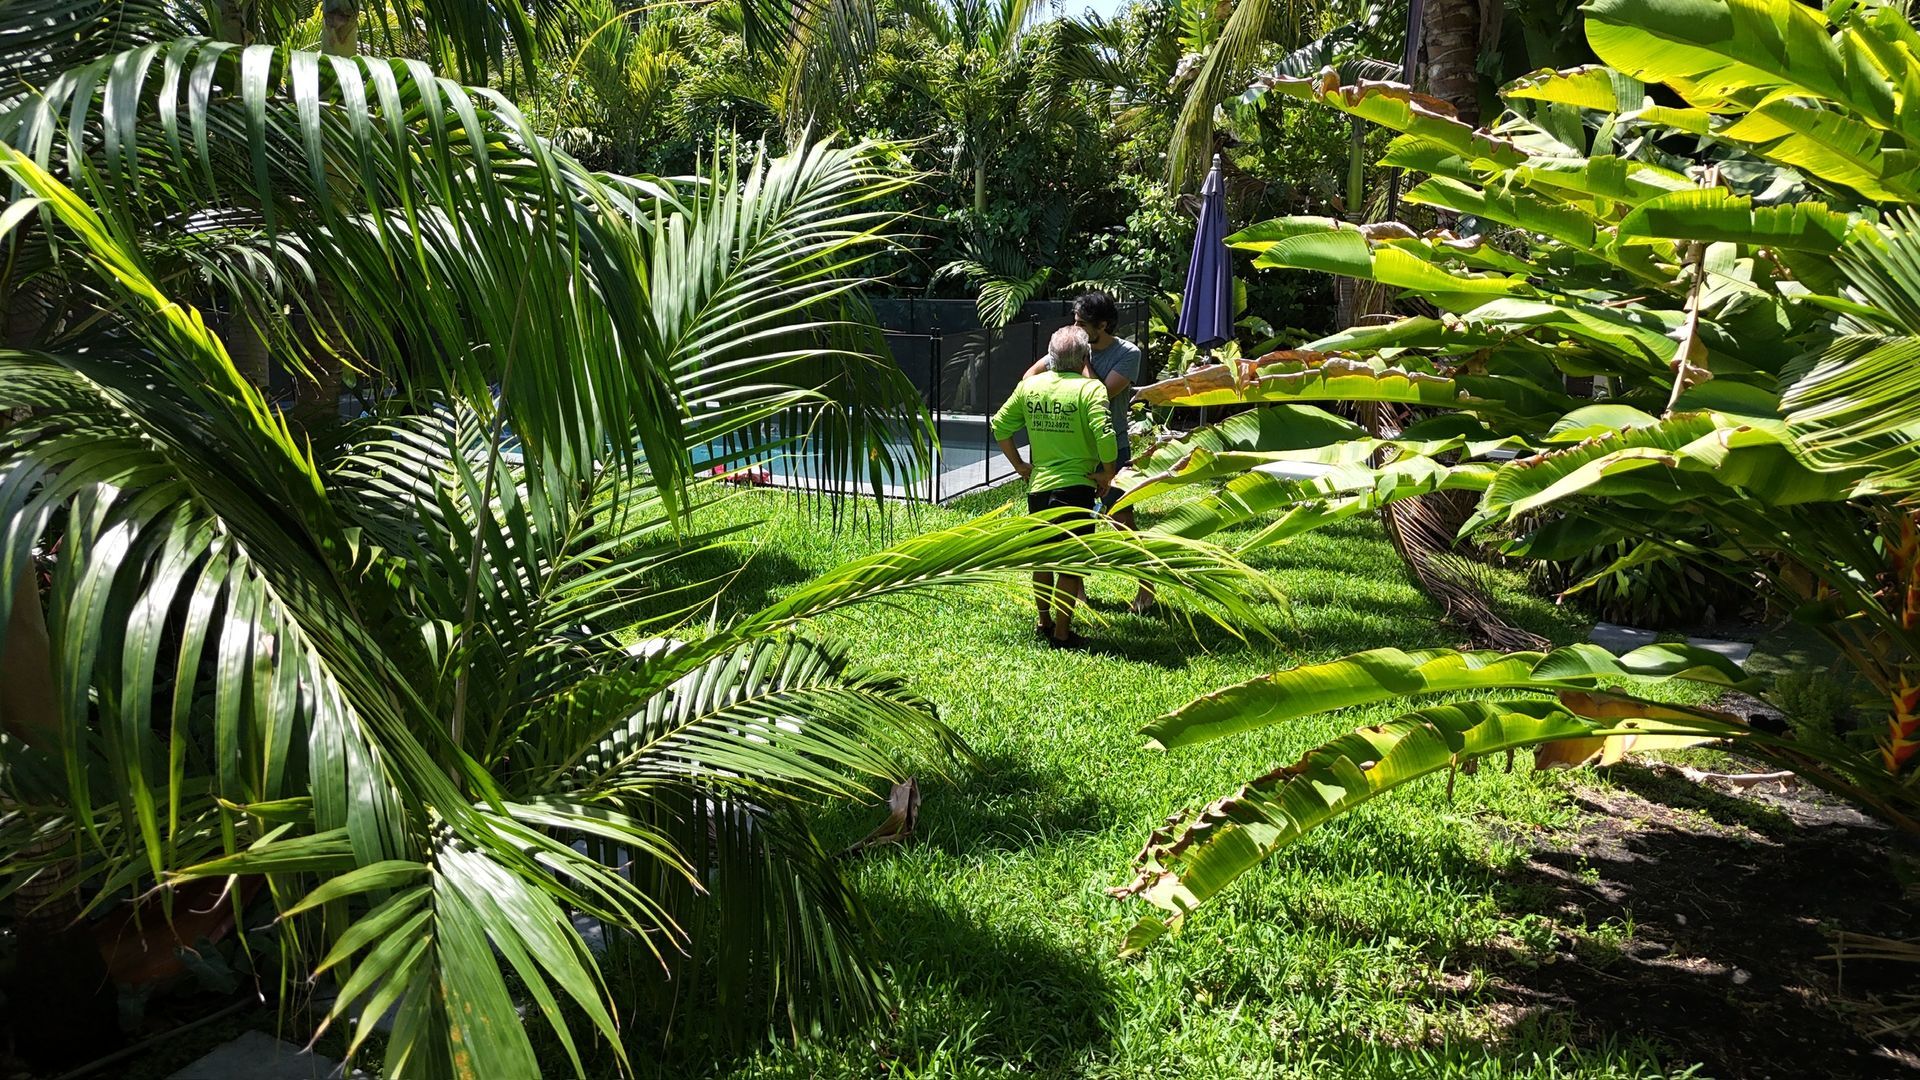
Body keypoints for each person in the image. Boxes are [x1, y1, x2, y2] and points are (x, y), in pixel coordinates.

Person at [1023, 291, 1154, 614]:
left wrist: (1080, 363)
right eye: (1074, 321)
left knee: (1121, 519)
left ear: (1103, 325)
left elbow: (1102, 394)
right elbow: (1029, 377)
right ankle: (1077, 591)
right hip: (1075, 453)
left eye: (1082, 323)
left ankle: (1146, 585)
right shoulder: (1071, 345)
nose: (1076, 328)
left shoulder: (1127, 354)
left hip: (1113, 448)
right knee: (1073, 520)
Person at [993, 325, 1116, 649]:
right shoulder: (1091, 390)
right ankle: (1062, 634)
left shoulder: (1031, 386)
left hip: (1039, 488)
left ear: (1050, 357)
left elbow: (1000, 426)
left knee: (1044, 558)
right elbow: (1105, 436)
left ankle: (1044, 620)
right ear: (1085, 357)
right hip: (1076, 486)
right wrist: (1107, 474)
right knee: (1070, 562)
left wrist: (1019, 465)